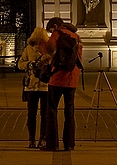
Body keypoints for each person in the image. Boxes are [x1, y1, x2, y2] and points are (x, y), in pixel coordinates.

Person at [42, 17, 82, 151]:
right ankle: (69, 143)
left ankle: (52, 144)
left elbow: (48, 50)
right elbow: (79, 58)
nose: (51, 32)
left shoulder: (57, 34)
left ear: (55, 26)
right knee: (69, 111)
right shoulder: (76, 36)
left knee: (51, 110)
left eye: (50, 30)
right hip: (72, 79)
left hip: (57, 78)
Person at [18, 27, 49, 149]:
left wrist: (46, 63)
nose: (39, 43)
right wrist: (30, 64)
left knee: (42, 114)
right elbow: (20, 64)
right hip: (33, 86)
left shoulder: (49, 50)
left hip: (43, 85)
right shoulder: (29, 49)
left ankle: (41, 138)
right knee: (33, 114)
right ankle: (33, 139)